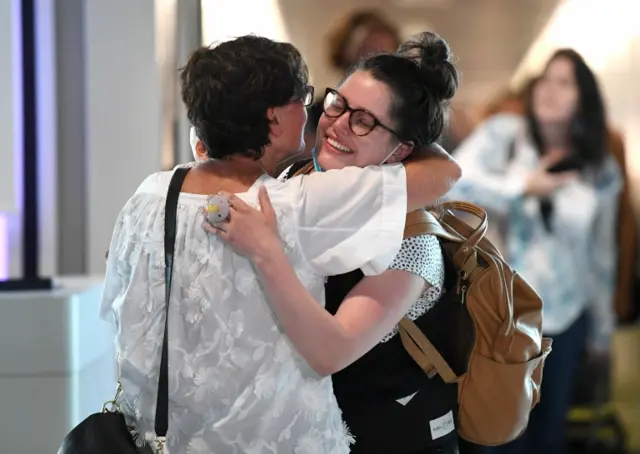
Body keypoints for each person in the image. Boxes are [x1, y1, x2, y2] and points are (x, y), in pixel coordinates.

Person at [101, 35, 460, 454]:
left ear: (401, 150)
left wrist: (264, 251)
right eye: (337, 104)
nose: (336, 123)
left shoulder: (411, 241)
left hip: (393, 438)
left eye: (364, 121)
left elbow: (332, 350)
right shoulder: (291, 187)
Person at [447, 49, 621, 454]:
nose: (550, 90)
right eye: (545, 79)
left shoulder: (599, 166)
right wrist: (522, 186)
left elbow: (601, 253)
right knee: (497, 436)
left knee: (549, 438)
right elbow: (453, 182)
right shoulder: (505, 135)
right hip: (503, 319)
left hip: (566, 319)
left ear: (585, 97)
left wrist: (601, 331)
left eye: (564, 82)